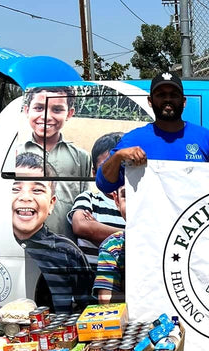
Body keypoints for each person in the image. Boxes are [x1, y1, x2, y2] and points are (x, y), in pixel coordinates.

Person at [96, 71, 209, 194]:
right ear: (150, 101)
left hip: (194, 216)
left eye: (174, 95)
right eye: (161, 95)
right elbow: (104, 184)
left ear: (184, 101)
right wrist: (118, 156)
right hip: (149, 217)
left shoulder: (204, 137)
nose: (167, 99)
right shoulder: (134, 139)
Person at [12, 152, 94, 313]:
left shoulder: (67, 252)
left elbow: (87, 308)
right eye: (15, 188)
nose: (25, 197)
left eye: (37, 190)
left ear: (51, 203)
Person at [18, 85, 92, 237]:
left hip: (68, 243)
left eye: (57, 110)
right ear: (27, 110)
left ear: (69, 113)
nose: (46, 116)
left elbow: (84, 203)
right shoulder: (16, 154)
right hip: (23, 243)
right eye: (38, 108)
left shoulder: (81, 157)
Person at [69, 132, 126, 269]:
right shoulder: (89, 198)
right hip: (92, 277)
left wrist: (98, 228)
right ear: (95, 173)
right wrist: (131, 236)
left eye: (122, 166)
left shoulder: (138, 202)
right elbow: (81, 226)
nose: (114, 173)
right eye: (107, 168)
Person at [93, 185, 127, 303]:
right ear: (116, 200)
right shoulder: (112, 246)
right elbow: (105, 301)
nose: (135, 203)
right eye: (126, 195)